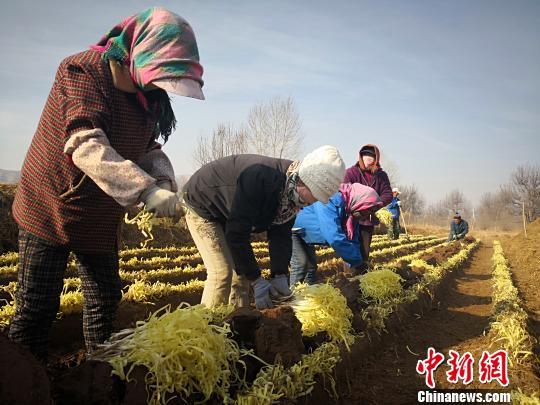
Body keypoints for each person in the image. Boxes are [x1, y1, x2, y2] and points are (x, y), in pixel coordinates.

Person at [9, 7, 204, 361]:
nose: (165, 89)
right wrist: (145, 190)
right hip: (52, 204)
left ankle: (100, 375)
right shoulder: (83, 70)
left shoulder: (149, 98)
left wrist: (163, 181)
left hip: (100, 214)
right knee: (37, 306)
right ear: (143, 54)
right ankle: (25, 381)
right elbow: (85, 144)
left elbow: (147, 147)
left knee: (105, 299)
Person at [182, 146, 345, 310]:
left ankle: (236, 325)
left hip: (229, 210)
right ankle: (208, 328)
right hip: (204, 205)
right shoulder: (260, 180)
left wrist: (279, 274)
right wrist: (257, 280)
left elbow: (280, 234)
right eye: (316, 195)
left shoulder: (291, 198)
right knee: (222, 273)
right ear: (305, 183)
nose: (315, 202)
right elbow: (237, 234)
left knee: (241, 277)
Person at [290, 183, 383, 285]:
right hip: (295, 230)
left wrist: (357, 263)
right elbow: (333, 236)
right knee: (300, 265)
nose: (366, 215)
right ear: (360, 202)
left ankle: (307, 295)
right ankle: (293, 297)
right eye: (366, 211)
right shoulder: (329, 200)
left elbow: (353, 240)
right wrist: (357, 262)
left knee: (311, 267)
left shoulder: (351, 213)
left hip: (307, 234)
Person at [343, 144, 393, 269]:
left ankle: (361, 277)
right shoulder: (351, 173)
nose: (368, 159)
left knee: (364, 253)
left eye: (371, 157)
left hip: (368, 220)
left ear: (376, 159)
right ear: (361, 157)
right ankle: (348, 277)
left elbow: (387, 194)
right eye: (365, 156)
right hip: (352, 219)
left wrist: (376, 205)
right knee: (350, 250)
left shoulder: (381, 176)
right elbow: (343, 191)